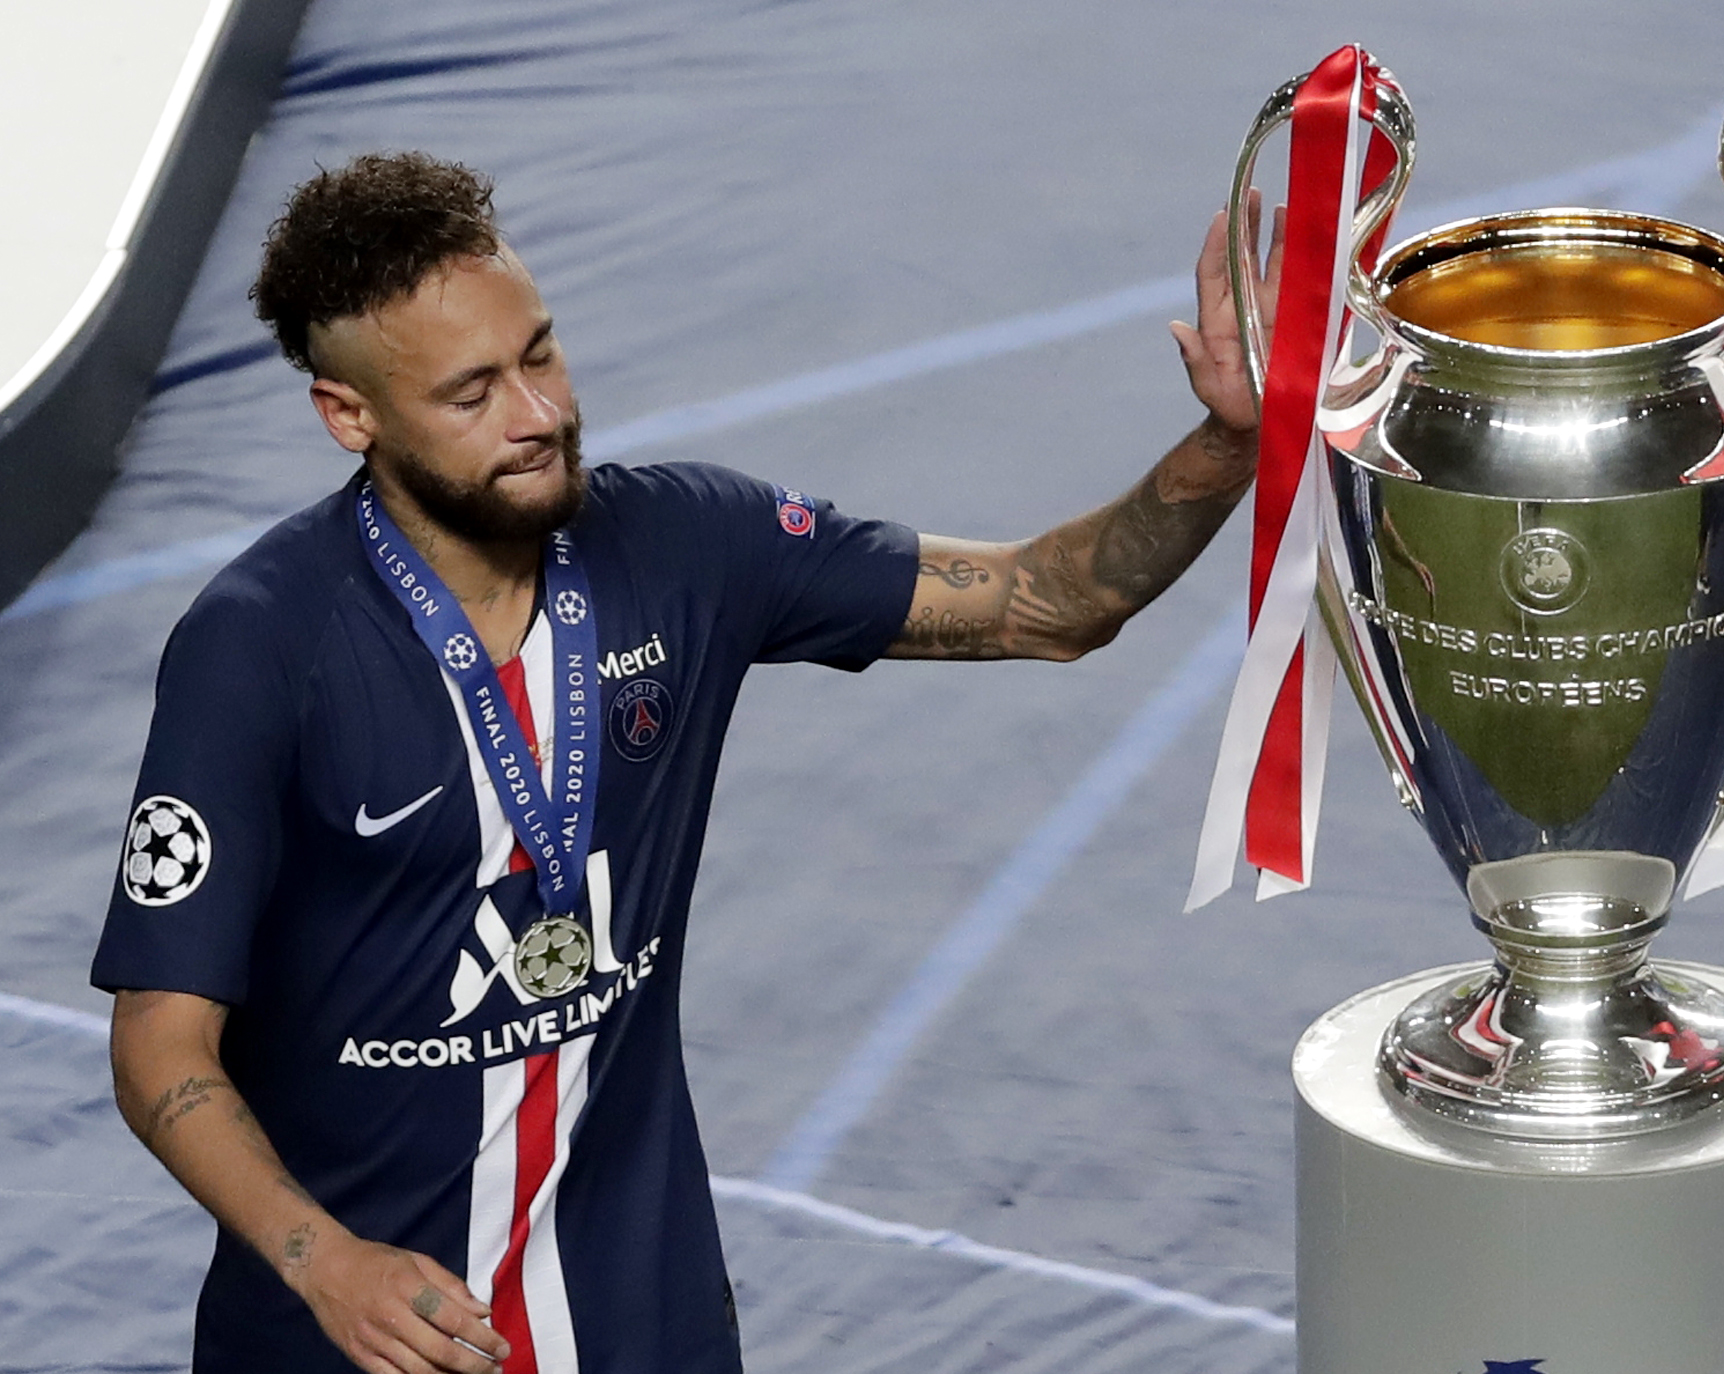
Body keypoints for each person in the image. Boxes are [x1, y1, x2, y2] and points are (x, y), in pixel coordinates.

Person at [92, 151, 1275, 1374]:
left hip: (637, 1321)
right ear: (351, 416)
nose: (538, 414)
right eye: (471, 394)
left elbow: (1050, 600)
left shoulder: (686, 546)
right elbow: (159, 1046)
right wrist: (322, 1263)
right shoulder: (261, 646)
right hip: (355, 1340)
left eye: (539, 354)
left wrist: (1225, 440)